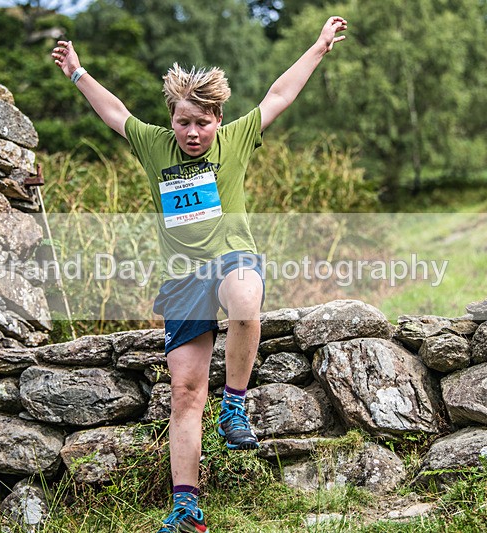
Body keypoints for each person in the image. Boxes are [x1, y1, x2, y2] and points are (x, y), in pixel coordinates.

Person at [52, 16, 347, 532]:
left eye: (203, 122)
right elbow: (115, 111)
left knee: (245, 301)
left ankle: (235, 406)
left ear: (218, 120)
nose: (193, 132)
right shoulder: (153, 146)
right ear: (172, 119)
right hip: (183, 278)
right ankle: (186, 508)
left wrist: (319, 47)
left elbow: (279, 94)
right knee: (186, 393)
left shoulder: (236, 139)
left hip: (234, 256)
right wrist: (77, 72)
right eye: (184, 121)